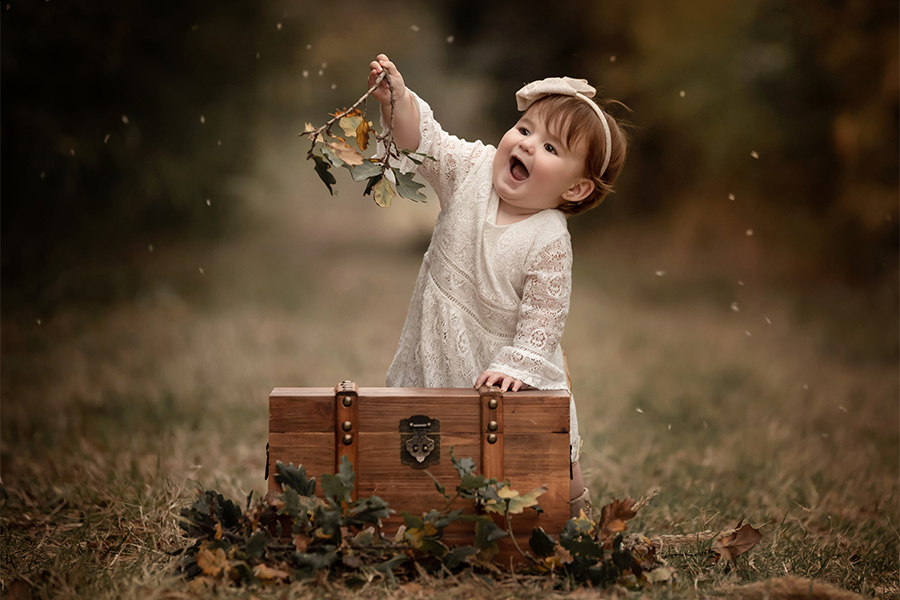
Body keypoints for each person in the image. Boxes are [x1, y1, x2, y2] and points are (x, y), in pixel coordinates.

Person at [368, 54, 627, 519]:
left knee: (545, 442)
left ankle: (575, 514)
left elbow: (545, 315)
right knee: (433, 433)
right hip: (442, 342)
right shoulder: (472, 172)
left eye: (551, 149)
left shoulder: (548, 237)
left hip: (509, 360)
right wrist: (399, 102)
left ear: (576, 189)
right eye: (525, 130)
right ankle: (433, 513)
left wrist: (518, 364)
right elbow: (430, 145)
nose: (528, 146)